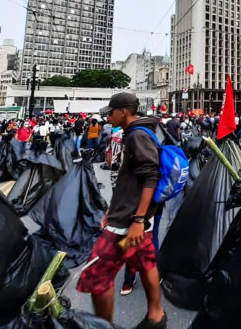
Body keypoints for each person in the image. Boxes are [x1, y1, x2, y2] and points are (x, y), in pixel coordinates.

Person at [77, 92, 166, 327]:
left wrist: (137, 220)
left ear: (123, 112)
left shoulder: (137, 135)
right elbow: (130, 180)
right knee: (146, 262)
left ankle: (103, 325)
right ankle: (156, 317)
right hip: (132, 219)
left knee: (97, 275)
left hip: (127, 224)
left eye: (111, 112)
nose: (108, 117)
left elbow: (151, 176)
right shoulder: (137, 133)